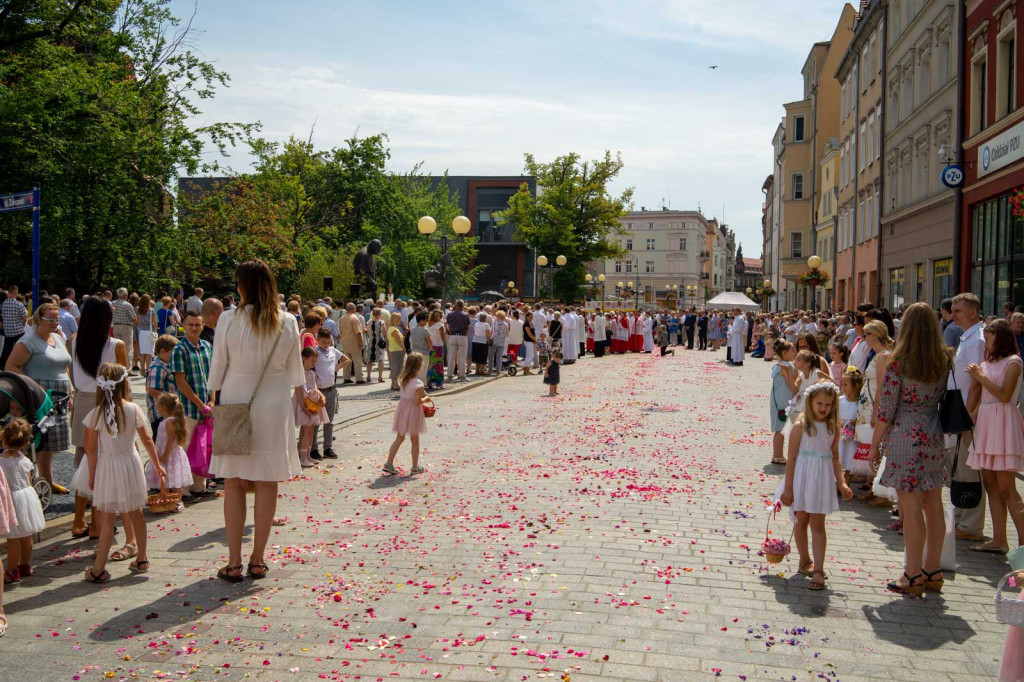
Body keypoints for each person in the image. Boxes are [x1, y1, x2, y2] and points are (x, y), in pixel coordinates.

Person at [207, 259, 304, 583]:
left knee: (234, 481)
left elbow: (217, 367)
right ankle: (258, 559)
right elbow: (294, 371)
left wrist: (212, 396)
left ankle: (233, 562)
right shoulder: (288, 322)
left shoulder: (228, 319)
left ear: (243, 286)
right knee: (266, 481)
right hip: (274, 401)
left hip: (237, 398)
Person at [870, 302, 951, 597]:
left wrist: (875, 444)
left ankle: (912, 574)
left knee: (913, 508)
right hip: (932, 434)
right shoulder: (943, 360)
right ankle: (933, 570)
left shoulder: (897, 362)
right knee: (934, 504)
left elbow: (886, 409)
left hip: (905, 435)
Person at [78, 363, 165, 582]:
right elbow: (146, 439)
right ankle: (142, 558)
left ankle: (98, 569)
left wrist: (91, 475)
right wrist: (156, 465)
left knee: (107, 520)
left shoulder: (96, 414)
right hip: (130, 464)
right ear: (125, 384)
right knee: (136, 513)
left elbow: (90, 449)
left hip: (107, 467)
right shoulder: (132, 409)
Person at [777, 383, 852, 591]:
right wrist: (789, 488)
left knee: (818, 524)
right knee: (802, 519)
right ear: (810, 402)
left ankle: (818, 569)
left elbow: (835, 457)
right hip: (803, 477)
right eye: (819, 403)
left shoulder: (833, 427)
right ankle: (804, 560)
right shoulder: (801, 426)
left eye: (828, 405)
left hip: (821, 479)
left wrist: (842, 482)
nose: (823, 408)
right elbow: (791, 458)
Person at [69, 297, 129, 540]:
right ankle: (97, 522)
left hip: (83, 401)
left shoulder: (73, 341)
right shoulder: (116, 344)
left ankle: (78, 519)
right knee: (106, 462)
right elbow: (122, 383)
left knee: (84, 461)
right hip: (107, 403)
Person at [965, 319, 1024, 554]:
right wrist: (971, 417)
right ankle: (1000, 540)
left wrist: (980, 377)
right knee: (990, 485)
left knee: (1007, 488)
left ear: (1000, 338)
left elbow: (1003, 395)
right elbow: (984, 398)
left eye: (988, 338)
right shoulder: (988, 363)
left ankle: (1022, 544)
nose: (985, 343)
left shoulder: (1014, 363)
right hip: (987, 424)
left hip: (1003, 424)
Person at [4, 302, 72, 493]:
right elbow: (11, 367)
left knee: (51, 442)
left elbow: (65, 367)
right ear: (38, 320)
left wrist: (70, 392)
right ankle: (26, 481)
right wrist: (34, 386)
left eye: (56, 319)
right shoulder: (28, 341)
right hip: (39, 396)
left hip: (60, 395)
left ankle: (48, 482)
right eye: (50, 319)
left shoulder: (57, 338)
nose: (54, 323)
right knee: (38, 439)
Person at [948, 292, 988, 542]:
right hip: (960, 407)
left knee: (970, 469)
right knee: (960, 467)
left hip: (967, 411)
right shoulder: (968, 337)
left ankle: (971, 525)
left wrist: (968, 416)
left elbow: (976, 381)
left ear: (972, 312)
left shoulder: (977, 340)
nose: (953, 315)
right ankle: (962, 516)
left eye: (957, 311)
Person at [169, 310, 214, 498]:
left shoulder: (207, 346)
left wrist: (212, 400)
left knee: (203, 447)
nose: (194, 328)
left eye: (198, 324)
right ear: (184, 326)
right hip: (189, 408)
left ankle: (198, 486)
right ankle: (182, 489)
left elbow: (213, 376)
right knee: (185, 448)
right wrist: (199, 404)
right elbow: (181, 382)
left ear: (203, 326)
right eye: (191, 325)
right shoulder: (179, 349)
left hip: (207, 406)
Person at [1, 419, 45, 584]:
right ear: (25, 442)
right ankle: (24, 565)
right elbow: (29, 481)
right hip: (27, 497)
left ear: (4, 439)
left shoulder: (1, 461)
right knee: (27, 535)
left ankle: (11, 570)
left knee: (12, 538)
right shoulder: (24, 459)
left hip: (11, 499)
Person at [382, 353, 429, 476]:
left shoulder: (402, 379)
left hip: (402, 410)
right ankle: (415, 466)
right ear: (419, 367)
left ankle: (389, 463)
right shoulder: (418, 383)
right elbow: (418, 402)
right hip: (413, 411)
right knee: (415, 440)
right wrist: (426, 399)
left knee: (400, 437)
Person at [144, 394, 192, 512]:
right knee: (166, 478)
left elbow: (171, 439)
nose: (156, 407)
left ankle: (178, 501)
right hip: (165, 453)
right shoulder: (165, 420)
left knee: (175, 480)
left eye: (158, 405)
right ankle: (166, 501)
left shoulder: (169, 421)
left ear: (163, 407)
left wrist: (165, 454)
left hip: (170, 454)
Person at [311, 328, 350, 459]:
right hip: (319, 390)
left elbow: (346, 359)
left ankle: (327, 447)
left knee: (329, 421)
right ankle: (313, 448)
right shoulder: (315, 351)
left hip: (331, 389)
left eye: (328, 342)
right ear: (318, 340)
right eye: (323, 342)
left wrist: (336, 368)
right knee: (316, 421)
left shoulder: (332, 350)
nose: (326, 344)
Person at [294, 346, 328, 468]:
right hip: (304, 403)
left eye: (315, 361)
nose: (314, 364)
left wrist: (321, 395)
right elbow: (298, 390)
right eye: (312, 361)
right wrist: (303, 407)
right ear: (304, 358)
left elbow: (315, 387)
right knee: (307, 429)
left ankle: (307, 455)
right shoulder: (300, 373)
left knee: (310, 429)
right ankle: (303, 458)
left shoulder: (312, 373)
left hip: (313, 402)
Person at [770, 340, 799, 465]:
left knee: (780, 428)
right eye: (792, 350)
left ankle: (778, 454)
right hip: (782, 400)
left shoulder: (780, 365)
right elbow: (792, 386)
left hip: (779, 398)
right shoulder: (786, 366)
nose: (795, 352)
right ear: (784, 352)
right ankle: (777, 455)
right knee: (780, 428)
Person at [838, 368, 864, 478]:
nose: (843, 387)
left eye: (846, 385)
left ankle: (847, 481)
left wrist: (856, 423)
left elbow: (862, 417)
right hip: (841, 435)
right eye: (842, 384)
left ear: (855, 386)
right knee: (839, 456)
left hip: (853, 437)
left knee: (850, 459)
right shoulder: (840, 400)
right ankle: (839, 481)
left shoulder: (860, 403)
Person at [1, 284, 29, 370]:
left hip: (8, 332)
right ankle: (20, 364)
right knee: (22, 348)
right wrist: (23, 323)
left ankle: (4, 365)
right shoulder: (19, 304)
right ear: (16, 293)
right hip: (18, 331)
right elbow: (24, 318)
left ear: (9, 292)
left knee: (7, 350)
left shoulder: (3, 304)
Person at [110, 288, 137, 372]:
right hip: (126, 327)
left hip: (116, 326)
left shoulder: (112, 304)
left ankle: (118, 367)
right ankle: (127, 369)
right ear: (125, 295)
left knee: (117, 347)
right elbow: (134, 318)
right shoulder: (127, 305)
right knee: (128, 348)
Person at [340, 303, 365, 384]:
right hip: (354, 342)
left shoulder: (342, 318)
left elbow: (340, 331)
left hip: (345, 342)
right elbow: (358, 332)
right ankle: (359, 378)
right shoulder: (354, 318)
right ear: (354, 309)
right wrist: (361, 342)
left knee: (346, 360)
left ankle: (346, 377)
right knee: (357, 360)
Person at [445, 300, 470, 382]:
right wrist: (466, 333)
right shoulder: (466, 315)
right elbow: (469, 327)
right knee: (462, 357)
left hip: (452, 335)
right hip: (462, 335)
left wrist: (450, 332)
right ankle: (462, 375)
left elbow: (447, 326)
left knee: (451, 357)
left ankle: (449, 375)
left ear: (456, 305)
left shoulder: (450, 314)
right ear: (463, 306)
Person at [137, 294, 158, 371]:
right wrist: (155, 330)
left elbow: (138, 322)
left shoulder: (139, 310)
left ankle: (142, 369)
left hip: (142, 332)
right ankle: (148, 369)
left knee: (143, 352)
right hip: (149, 332)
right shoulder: (151, 310)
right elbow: (154, 322)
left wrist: (142, 327)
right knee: (149, 352)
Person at [426, 309, 446, 389]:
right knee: (438, 365)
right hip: (438, 346)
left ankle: (429, 382)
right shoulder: (440, 325)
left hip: (430, 346)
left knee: (430, 365)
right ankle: (439, 383)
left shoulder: (427, 324)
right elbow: (443, 337)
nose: (441, 317)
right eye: (440, 316)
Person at [386, 312, 406, 391]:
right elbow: (399, 341)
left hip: (393, 349)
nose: (401, 321)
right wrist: (404, 348)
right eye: (399, 319)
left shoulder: (391, 328)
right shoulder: (394, 329)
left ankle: (394, 383)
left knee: (395, 366)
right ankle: (395, 384)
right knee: (398, 367)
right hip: (397, 349)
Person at [367, 308, 387, 384]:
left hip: (371, 340)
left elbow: (368, 331)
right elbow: (385, 332)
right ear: (379, 314)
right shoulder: (381, 322)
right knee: (381, 360)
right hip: (379, 341)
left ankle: (368, 376)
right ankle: (380, 377)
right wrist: (385, 339)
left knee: (370, 359)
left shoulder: (369, 322)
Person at [488, 310, 509, 375]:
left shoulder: (494, 323)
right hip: (502, 341)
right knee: (499, 357)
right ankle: (498, 370)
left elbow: (491, 331)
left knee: (491, 356)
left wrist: (489, 338)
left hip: (494, 341)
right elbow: (506, 333)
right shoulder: (506, 324)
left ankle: (490, 370)